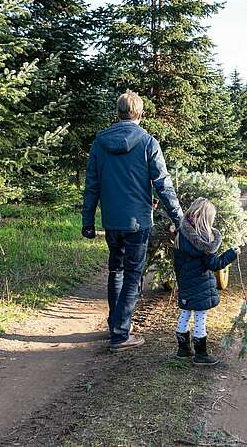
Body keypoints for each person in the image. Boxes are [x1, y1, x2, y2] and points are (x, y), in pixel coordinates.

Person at [82, 90, 185, 352]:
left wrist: (88, 220)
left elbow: (92, 185)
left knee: (116, 271)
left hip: (112, 222)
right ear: (140, 113)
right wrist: (180, 218)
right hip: (138, 222)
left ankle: (115, 323)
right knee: (133, 274)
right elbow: (163, 185)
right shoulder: (148, 142)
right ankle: (120, 334)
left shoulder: (99, 143)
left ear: (118, 113)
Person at [173, 197, 240, 366]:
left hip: (185, 282)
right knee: (200, 317)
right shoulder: (206, 240)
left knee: (186, 313)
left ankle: (183, 349)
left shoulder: (181, 234)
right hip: (201, 285)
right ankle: (200, 354)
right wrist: (231, 254)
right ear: (206, 218)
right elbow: (214, 264)